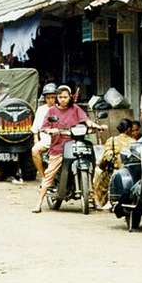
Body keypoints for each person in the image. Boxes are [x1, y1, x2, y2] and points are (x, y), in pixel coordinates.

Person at [32, 85, 106, 213]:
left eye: (65, 97)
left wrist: (96, 126)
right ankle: (38, 203)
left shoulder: (75, 108)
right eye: (60, 97)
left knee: (91, 170)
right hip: (58, 147)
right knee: (49, 175)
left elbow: (86, 121)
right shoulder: (52, 111)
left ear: (70, 97)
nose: (63, 99)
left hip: (77, 144)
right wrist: (51, 130)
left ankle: (95, 200)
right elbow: (44, 127)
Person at [93, 118, 136, 211]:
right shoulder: (134, 143)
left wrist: (101, 167)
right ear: (129, 129)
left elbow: (103, 160)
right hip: (130, 174)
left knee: (97, 181)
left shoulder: (111, 141)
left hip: (112, 173)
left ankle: (99, 203)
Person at [31, 83, 57, 180]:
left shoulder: (61, 108)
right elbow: (35, 128)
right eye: (48, 98)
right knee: (35, 150)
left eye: (53, 97)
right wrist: (36, 140)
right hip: (46, 140)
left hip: (60, 139)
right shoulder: (41, 110)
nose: (51, 100)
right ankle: (43, 177)